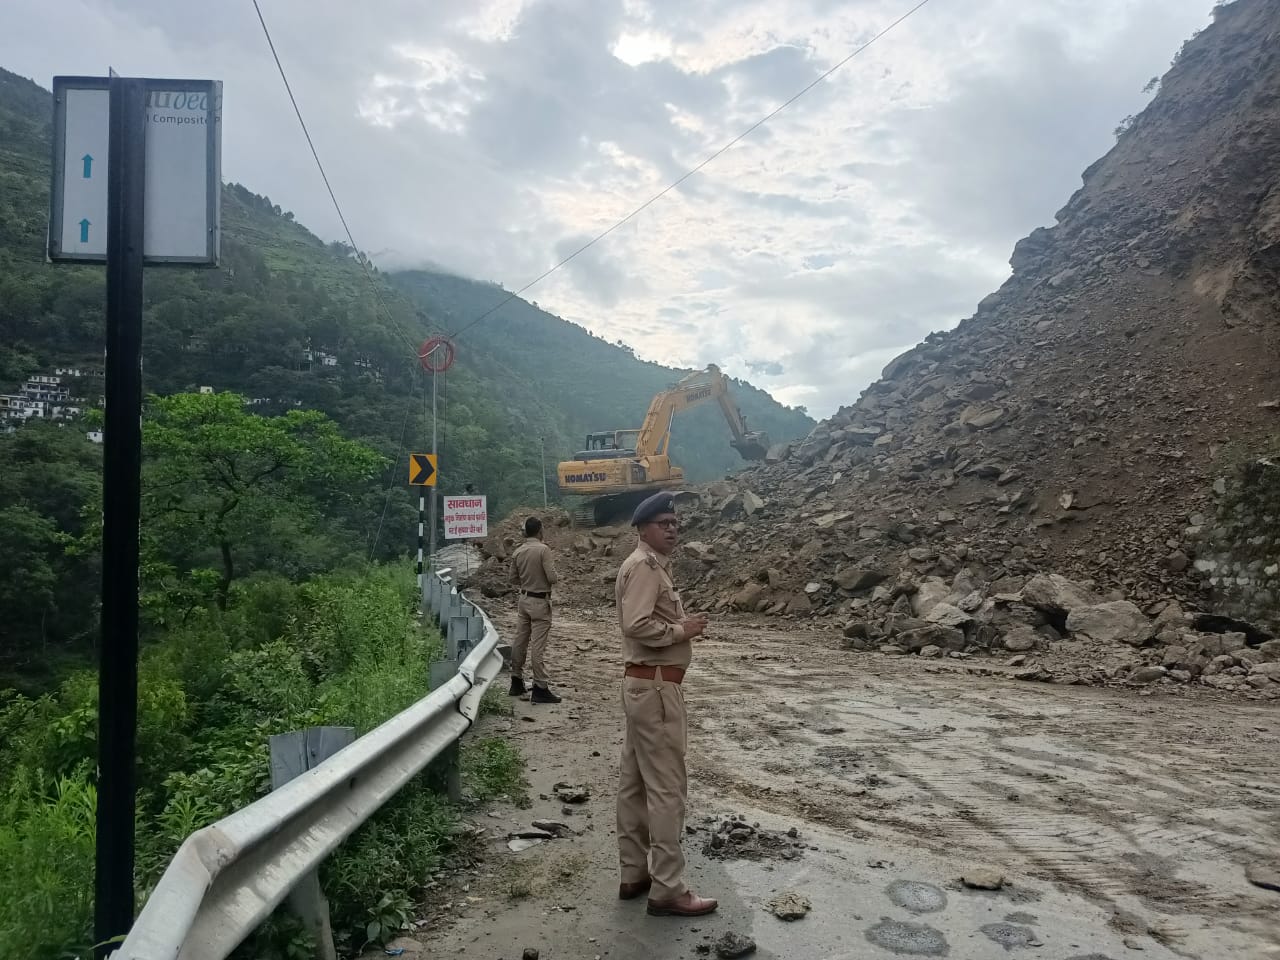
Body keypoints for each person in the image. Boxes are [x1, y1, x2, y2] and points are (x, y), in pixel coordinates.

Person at [614, 491, 717, 918]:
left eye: (675, 523)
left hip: (645, 687)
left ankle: (635, 874)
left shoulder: (647, 566)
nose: (672, 529)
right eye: (663, 523)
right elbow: (635, 623)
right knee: (667, 788)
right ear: (643, 528)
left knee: (635, 785)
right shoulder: (644, 568)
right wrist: (681, 630)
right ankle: (668, 888)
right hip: (656, 690)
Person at [508, 516, 561, 704]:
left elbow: (512, 578)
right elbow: (552, 578)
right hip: (540, 601)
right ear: (539, 531)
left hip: (524, 599)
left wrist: (527, 581)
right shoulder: (543, 550)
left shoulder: (518, 551)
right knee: (538, 646)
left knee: (520, 640)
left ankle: (516, 680)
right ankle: (540, 687)